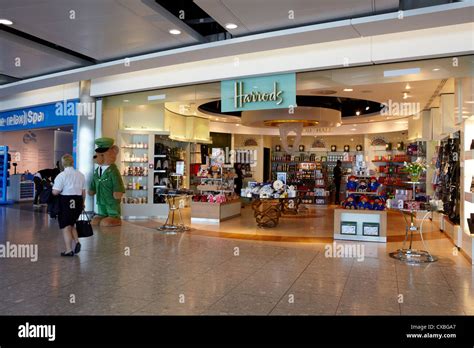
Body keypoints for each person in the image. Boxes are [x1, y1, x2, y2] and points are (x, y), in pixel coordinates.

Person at [52, 154, 86, 257]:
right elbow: (83, 192)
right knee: (72, 224)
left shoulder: (62, 175)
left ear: (63, 164)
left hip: (66, 202)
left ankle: (68, 250)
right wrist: (83, 203)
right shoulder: (80, 175)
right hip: (78, 201)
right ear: (72, 162)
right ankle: (77, 242)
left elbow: (55, 192)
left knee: (66, 227)